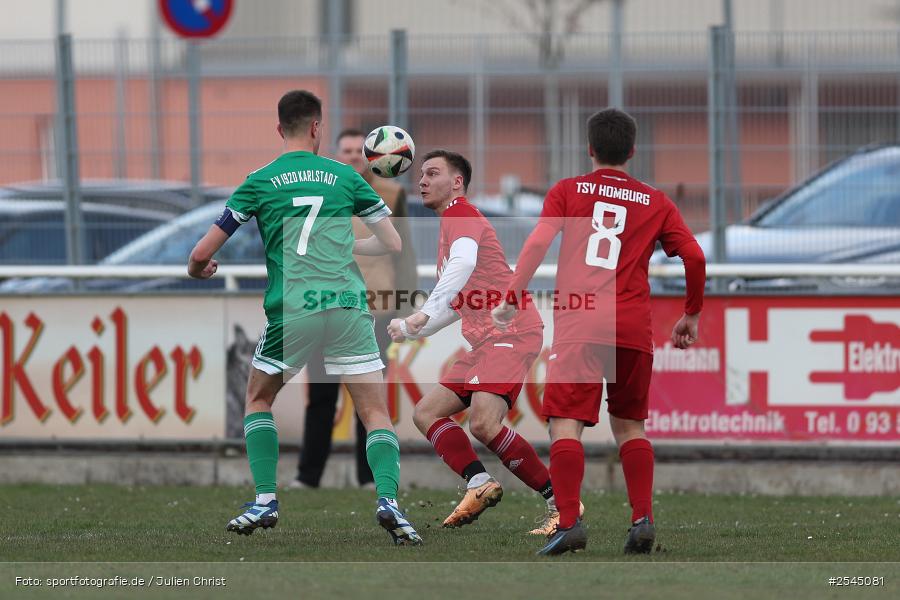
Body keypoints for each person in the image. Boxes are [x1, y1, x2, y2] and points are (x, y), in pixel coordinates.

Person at [187, 90, 422, 546]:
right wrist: (348, 245)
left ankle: (265, 500)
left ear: (280, 128)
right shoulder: (346, 176)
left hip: (294, 308)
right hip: (348, 306)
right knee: (374, 411)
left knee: (258, 398)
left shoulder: (259, 180)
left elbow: (201, 253)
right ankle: (389, 500)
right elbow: (392, 244)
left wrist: (200, 269)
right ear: (317, 127)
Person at [493, 108, 706, 555]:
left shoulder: (567, 191)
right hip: (631, 326)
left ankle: (569, 523)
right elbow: (695, 256)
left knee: (565, 424)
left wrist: (512, 294)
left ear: (589, 148)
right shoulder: (655, 200)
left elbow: (537, 242)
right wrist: (691, 314)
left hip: (581, 323)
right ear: (632, 151)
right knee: (630, 427)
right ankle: (642, 519)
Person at [388, 149, 578, 534]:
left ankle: (562, 505)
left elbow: (464, 264)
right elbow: (458, 303)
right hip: (486, 341)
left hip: (511, 331)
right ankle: (478, 483)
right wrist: (412, 327)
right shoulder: (451, 224)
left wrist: (424, 311)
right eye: (421, 174)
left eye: (433, 173)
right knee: (426, 413)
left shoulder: (461, 213)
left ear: (457, 182)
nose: (421, 181)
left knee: (484, 423)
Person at [291, 128, 417, 491]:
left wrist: (405, 308)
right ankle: (308, 477)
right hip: (324, 306)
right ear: (336, 154)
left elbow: (404, 255)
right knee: (321, 396)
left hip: (375, 308)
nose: (351, 156)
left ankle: (369, 477)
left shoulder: (391, 194)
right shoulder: (320, 191)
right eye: (345, 150)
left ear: (371, 155)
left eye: (357, 151)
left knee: (370, 398)